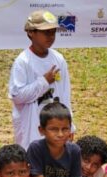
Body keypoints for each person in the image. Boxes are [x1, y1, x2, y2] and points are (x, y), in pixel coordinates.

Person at [9, 10, 73, 149]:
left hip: (57, 127)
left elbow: (65, 95)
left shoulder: (58, 59)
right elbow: (17, 96)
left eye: (53, 32)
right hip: (31, 127)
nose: (51, 36)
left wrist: (70, 126)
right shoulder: (23, 61)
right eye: (46, 32)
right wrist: (43, 82)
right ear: (31, 32)